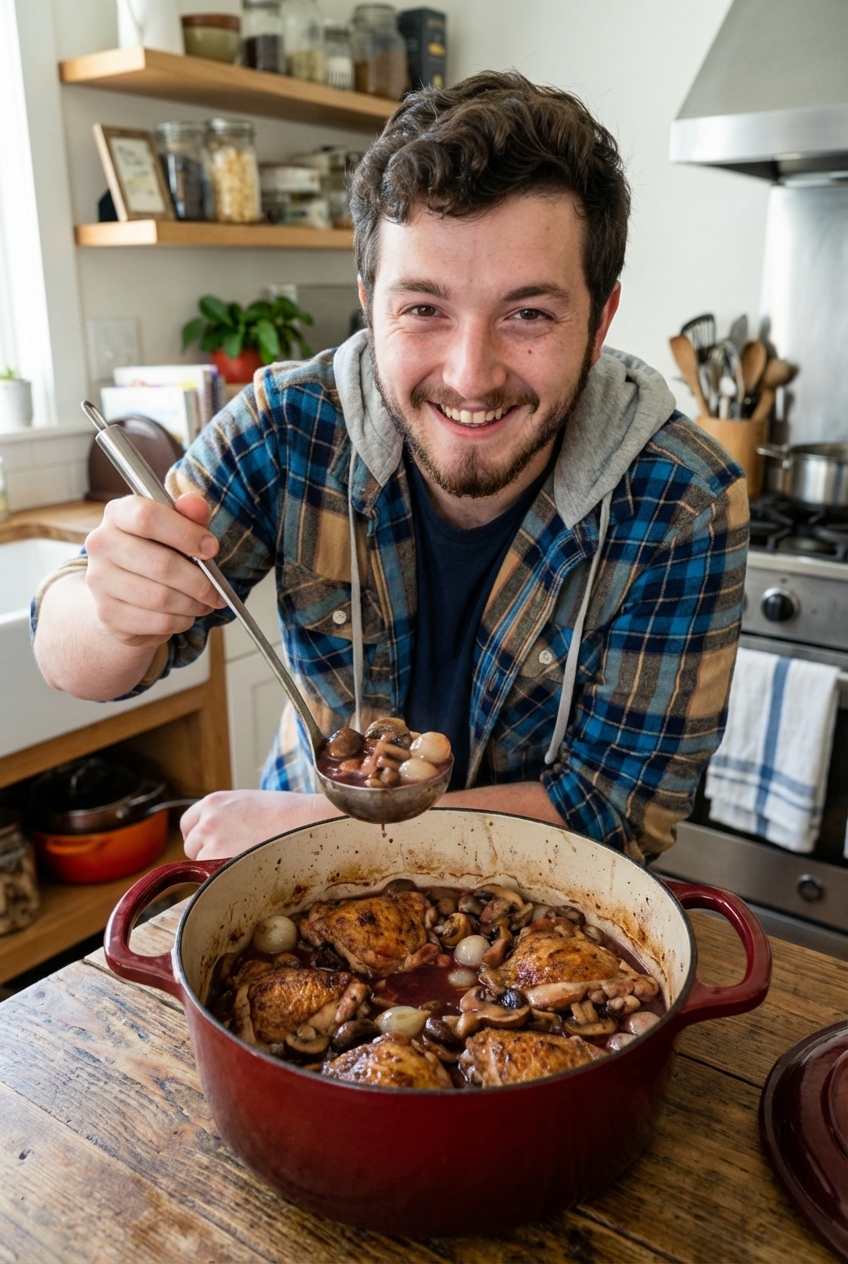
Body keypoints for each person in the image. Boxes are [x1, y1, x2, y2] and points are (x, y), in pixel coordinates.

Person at [32, 71, 748, 864]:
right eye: (424, 310)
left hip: (536, 902)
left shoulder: (683, 498)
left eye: (529, 314)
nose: (471, 376)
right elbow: (72, 658)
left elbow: (617, 810)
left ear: (601, 317)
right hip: (307, 888)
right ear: (371, 303)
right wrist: (109, 609)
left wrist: (333, 830)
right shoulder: (288, 427)